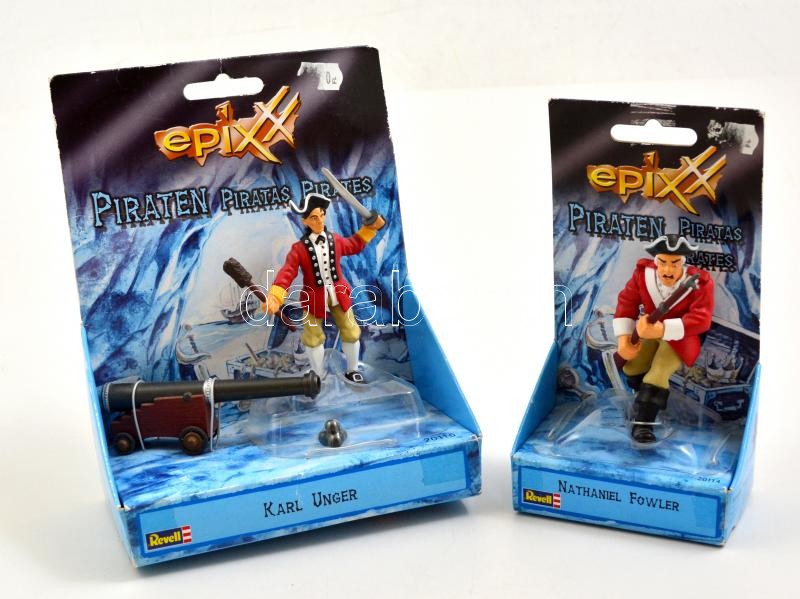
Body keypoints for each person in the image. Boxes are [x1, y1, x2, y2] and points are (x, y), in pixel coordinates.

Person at [266, 192, 385, 383]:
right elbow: (288, 271)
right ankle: (318, 375)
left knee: (351, 331)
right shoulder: (299, 249)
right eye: (314, 217)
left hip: (339, 294)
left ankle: (352, 370)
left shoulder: (335, 240)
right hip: (313, 298)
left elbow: (354, 245)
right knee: (312, 337)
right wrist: (275, 295)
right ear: (305, 221)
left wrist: (370, 228)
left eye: (322, 215)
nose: (320, 220)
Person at [614, 234, 714, 443]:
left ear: (682, 262)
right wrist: (624, 340)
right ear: (656, 260)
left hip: (680, 340)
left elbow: (701, 319)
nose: (668, 270)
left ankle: (644, 423)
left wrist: (663, 330)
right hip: (648, 332)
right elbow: (627, 302)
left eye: (674, 263)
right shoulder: (643, 274)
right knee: (632, 367)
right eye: (663, 262)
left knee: (658, 373)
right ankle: (641, 399)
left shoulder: (700, 282)